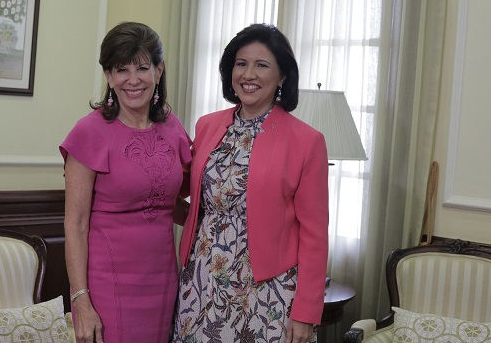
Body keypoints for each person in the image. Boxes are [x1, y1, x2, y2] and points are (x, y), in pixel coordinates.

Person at [171, 23, 329, 343]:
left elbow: (315, 234)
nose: (249, 74)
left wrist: (305, 312)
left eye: (262, 65)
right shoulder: (207, 126)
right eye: (241, 64)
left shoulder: (306, 141)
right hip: (200, 281)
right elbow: (178, 185)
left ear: (282, 76)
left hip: (266, 292)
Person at [60, 22, 192, 343]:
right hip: (108, 285)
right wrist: (81, 300)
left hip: (163, 280)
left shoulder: (173, 128)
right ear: (108, 76)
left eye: (143, 68)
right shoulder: (88, 133)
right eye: (122, 70)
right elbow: (75, 224)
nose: (133, 80)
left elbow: (167, 201)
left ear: (158, 71)